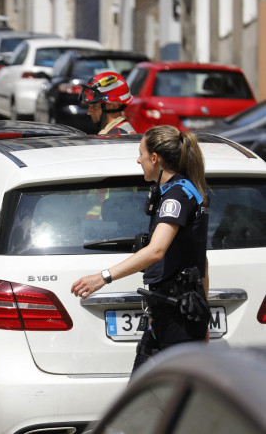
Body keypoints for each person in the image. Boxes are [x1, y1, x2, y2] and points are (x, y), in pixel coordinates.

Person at [71, 125, 210, 374]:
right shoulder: (180, 190)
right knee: (142, 396)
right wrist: (204, 313)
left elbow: (156, 250)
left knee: (174, 402)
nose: (138, 160)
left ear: (154, 158)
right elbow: (202, 261)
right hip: (167, 312)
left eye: (141, 153)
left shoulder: (176, 197)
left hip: (178, 317)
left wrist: (102, 277)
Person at [78, 71, 136, 135]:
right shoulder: (113, 132)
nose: (88, 112)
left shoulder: (117, 137)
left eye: (95, 106)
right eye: (89, 106)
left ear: (114, 105)